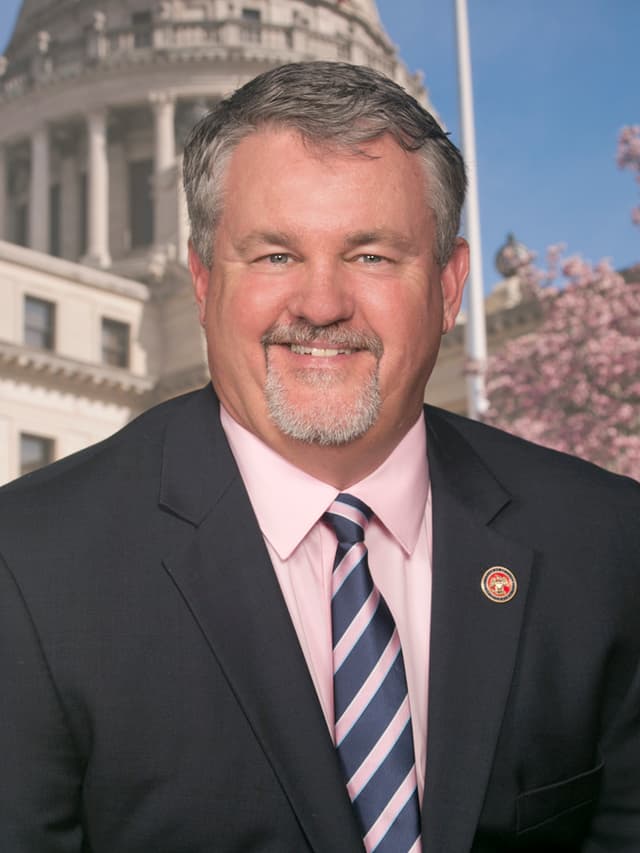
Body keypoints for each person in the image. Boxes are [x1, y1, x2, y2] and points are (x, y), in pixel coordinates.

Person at [0, 61, 638, 853]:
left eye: (372, 255)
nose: (322, 304)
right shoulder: (26, 569)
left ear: (449, 284)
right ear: (201, 280)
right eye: (274, 255)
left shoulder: (608, 543)